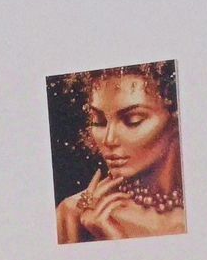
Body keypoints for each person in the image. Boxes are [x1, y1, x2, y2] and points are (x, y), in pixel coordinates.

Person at [55, 63, 186, 243]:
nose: (109, 140)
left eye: (133, 120)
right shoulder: (72, 214)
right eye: (99, 121)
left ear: (176, 120)